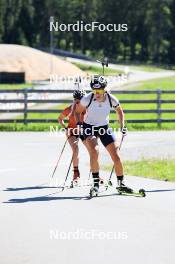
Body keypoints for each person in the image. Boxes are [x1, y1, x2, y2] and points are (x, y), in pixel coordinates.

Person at [76, 75, 130, 195]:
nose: (96, 93)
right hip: (89, 127)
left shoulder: (111, 99)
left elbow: (120, 112)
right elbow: (78, 112)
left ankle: (121, 184)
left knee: (116, 156)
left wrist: (122, 126)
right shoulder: (87, 99)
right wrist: (79, 124)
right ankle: (95, 184)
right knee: (95, 152)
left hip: (104, 128)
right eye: (94, 91)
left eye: (99, 91)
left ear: (104, 89)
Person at [58, 89, 86, 185]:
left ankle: (96, 174)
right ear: (74, 100)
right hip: (72, 131)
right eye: (77, 100)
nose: (79, 102)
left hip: (83, 131)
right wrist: (65, 128)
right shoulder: (69, 109)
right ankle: (76, 172)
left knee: (93, 150)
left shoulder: (87, 109)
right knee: (76, 149)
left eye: (81, 100)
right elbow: (60, 119)